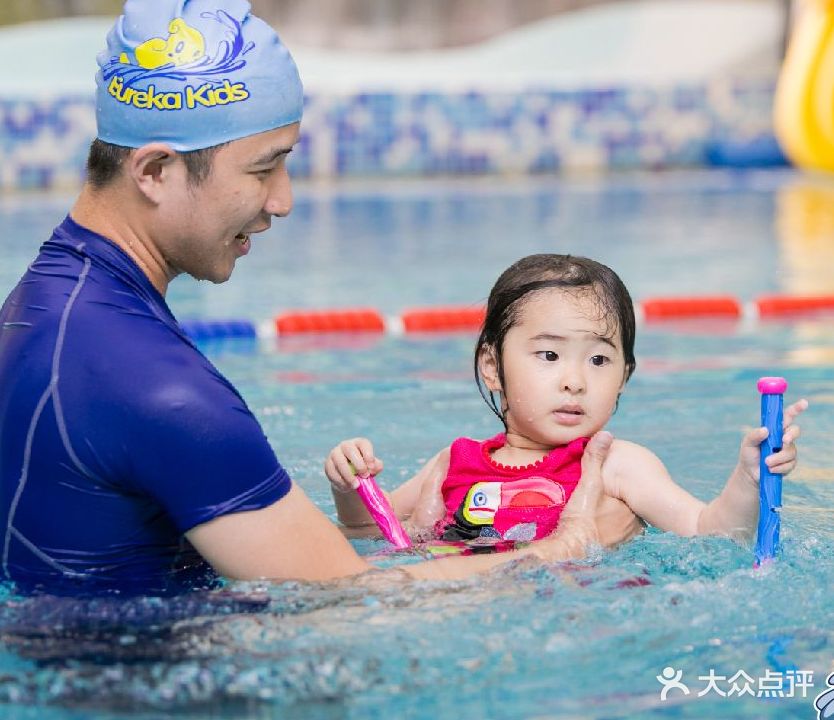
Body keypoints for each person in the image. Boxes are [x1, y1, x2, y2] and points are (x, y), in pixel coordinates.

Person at [0, 1, 613, 596]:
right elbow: (346, 602)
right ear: (155, 170)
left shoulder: (42, 307)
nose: (282, 201)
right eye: (263, 170)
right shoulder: (162, 391)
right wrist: (557, 550)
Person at [326, 254, 808, 547]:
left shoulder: (619, 465)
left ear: (625, 377)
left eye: (599, 361)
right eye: (550, 355)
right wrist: (350, 486)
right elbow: (370, 528)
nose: (575, 380)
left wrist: (748, 477)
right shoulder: (454, 461)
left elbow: (710, 531)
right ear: (492, 367)